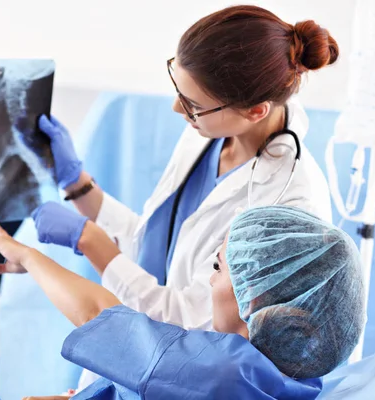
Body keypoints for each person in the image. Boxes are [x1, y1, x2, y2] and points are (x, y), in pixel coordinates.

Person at [28, 4, 338, 390]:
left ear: (256, 110)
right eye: (179, 89)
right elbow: (154, 243)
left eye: (192, 105)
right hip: (135, 353)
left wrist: (89, 240)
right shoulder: (210, 131)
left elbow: (187, 320)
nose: (178, 108)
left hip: (184, 377)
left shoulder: (289, 206)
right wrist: (76, 183)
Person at [0, 206, 366, 400]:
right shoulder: (291, 379)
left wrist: (28, 255)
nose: (210, 279)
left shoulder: (224, 372)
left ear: (266, 309)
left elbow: (98, 315)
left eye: (219, 267)